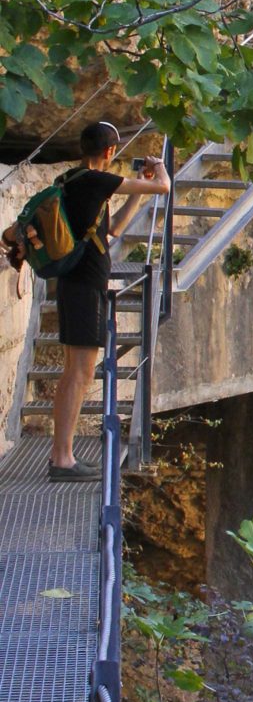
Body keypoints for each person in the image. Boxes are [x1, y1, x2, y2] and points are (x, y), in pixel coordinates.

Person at [49, 120, 171, 481]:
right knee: (81, 372)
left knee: (73, 371)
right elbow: (163, 186)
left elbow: (113, 228)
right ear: (109, 152)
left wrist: (136, 191)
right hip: (85, 286)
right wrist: (159, 167)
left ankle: (61, 454)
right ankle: (63, 459)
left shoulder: (71, 180)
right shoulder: (95, 180)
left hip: (75, 283)